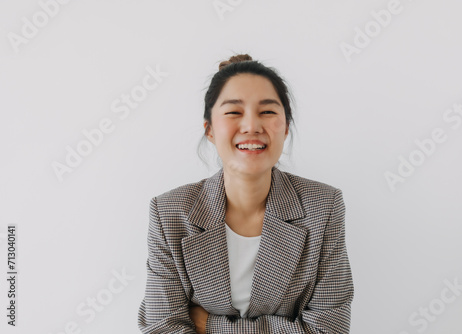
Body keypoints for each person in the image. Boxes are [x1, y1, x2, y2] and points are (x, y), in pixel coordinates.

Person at [137, 54, 354, 333]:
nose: (251, 126)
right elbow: (161, 328)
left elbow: (329, 330)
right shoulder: (168, 213)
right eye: (233, 112)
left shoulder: (323, 206)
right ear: (210, 130)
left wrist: (210, 325)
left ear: (286, 128)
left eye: (267, 111)